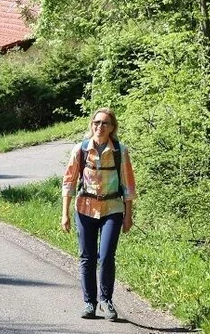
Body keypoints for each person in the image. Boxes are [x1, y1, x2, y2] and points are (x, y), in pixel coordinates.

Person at [59, 107, 136, 321]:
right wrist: (64, 214)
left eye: (105, 123)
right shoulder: (80, 149)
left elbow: (128, 185)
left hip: (113, 209)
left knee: (107, 256)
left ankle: (106, 301)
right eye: (97, 123)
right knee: (87, 257)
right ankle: (89, 303)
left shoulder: (120, 150)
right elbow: (69, 182)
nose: (100, 127)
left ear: (112, 128)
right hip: (84, 208)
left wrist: (128, 216)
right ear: (91, 125)